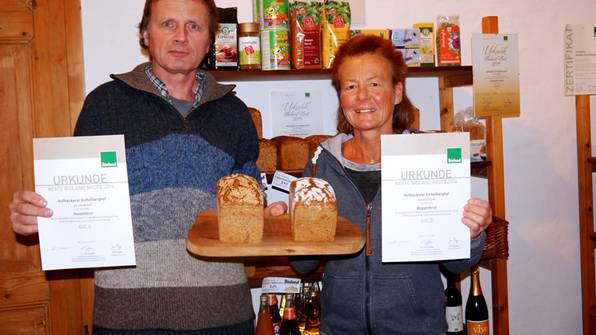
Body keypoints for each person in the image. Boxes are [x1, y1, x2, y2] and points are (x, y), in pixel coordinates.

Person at [9, 0, 284, 334]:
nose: (181, 37)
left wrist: (269, 217)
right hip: (127, 318)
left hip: (224, 315)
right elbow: (76, 203)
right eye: (168, 24)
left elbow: (250, 204)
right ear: (144, 34)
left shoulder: (235, 113)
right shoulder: (104, 105)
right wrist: (41, 218)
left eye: (194, 26)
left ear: (210, 40)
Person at [290, 35, 492, 335]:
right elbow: (303, 267)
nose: (362, 97)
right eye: (350, 86)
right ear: (340, 96)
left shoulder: (429, 158)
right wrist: (290, 226)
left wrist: (472, 232)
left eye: (374, 84)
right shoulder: (321, 165)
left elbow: (458, 262)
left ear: (397, 91)